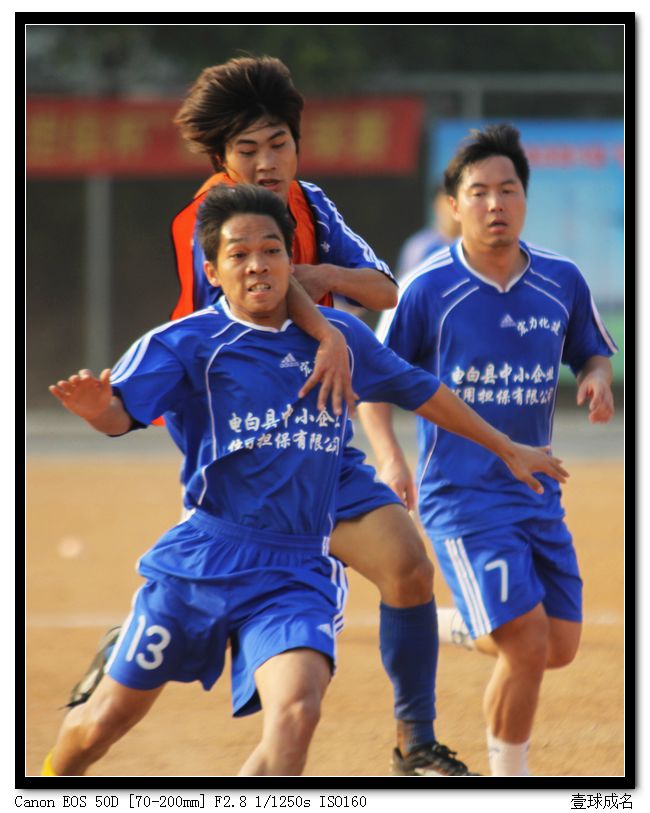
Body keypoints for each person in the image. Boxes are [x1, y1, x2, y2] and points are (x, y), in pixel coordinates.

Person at [41, 184, 568, 777]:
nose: (257, 265)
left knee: (297, 713)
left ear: (291, 261)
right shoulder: (187, 344)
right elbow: (121, 413)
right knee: (100, 725)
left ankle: (414, 739)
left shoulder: (341, 341)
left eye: (271, 250)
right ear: (212, 271)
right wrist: (98, 411)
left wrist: (507, 448)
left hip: (296, 572)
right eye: (239, 255)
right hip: (202, 562)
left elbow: (423, 391)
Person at [66, 55, 470, 776]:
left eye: (278, 143)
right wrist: (325, 329)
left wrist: (323, 279)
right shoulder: (209, 220)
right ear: (221, 158)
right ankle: (137, 635)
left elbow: (385, 290)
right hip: (246, 450)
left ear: (297, 143)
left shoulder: (311, 204)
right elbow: (242, 313)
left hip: (317, 440)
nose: (266, 162)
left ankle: (415, 744)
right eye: (247, 148)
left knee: (408, 566)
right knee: (144, 692)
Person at [359, 123, 617, 777]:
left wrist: (594, 376)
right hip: (461, 496)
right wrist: (390, 457)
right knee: (526, 642)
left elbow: (590, 350)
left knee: (559, 645)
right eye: (478, 192)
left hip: (537, 490)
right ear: (454, 205)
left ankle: (458, 620)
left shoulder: (560, 279)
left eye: (508, 189)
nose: (495, 203)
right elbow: (372, 383)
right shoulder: (426, 288)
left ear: (525, 198)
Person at [394, 185, 460, 281]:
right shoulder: (419, 246)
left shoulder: (475, 246)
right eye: (447, 203)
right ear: (437, 205)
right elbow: (403, 284)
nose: (451, 210)